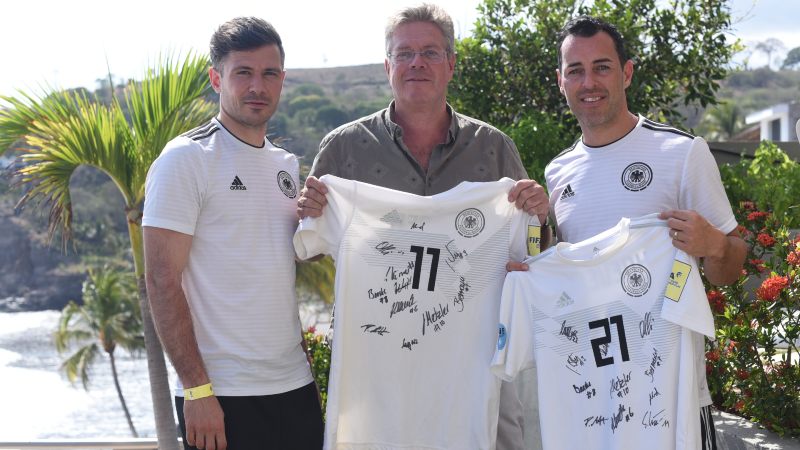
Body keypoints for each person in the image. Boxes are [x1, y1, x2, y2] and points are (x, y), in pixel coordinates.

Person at [298, 4, 549, 449]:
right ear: (387, 66)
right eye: (404, 53)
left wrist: (538, 218)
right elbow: (311, 249)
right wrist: (310, 211)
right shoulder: (344, 149)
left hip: (474, 365)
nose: (417, 63)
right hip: (376, 371)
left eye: (430, 52)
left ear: (451, 64)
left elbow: (533, 254)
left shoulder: (492, 149)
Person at [546, 15, 748, 450]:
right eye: (575, 70)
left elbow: (732, 264)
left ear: (627, 73)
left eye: (602, 67)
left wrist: (714, 245)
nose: (589, 82)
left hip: (672, 398)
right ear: (561, 82)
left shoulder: (682, 152)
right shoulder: (557, 173)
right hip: (592, 398)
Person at [142, 17, 323, 450]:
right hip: (221, 394)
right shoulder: (186, 158)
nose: (258, 86)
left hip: (293, 387)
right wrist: (197, 390)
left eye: (269, 73)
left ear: (282, 80)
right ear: (216, 78)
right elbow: (162, 280)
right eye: (243, 72)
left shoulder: (285, 164)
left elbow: (277, 273)